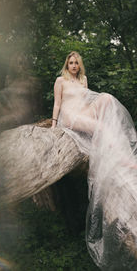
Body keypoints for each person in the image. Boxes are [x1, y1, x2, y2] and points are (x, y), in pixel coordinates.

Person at [51, 51, 137, 270]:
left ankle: (123, 156)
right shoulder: (60, 81)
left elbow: (89, 99)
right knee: (101, 128)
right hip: (69, 117)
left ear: (80, 65)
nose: (73, 66)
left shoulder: (83, 81)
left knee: (107, 98)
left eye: (76, 63)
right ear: (66, 64)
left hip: (85, 113)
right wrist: (53, 125)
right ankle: (123, 158)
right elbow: (58, 104)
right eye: (70, 62)